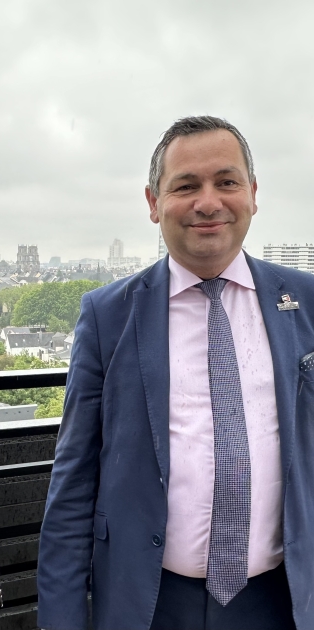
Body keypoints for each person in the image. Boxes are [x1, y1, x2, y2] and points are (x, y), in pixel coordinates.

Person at [37, 115, 314, 630]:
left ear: (252, 193)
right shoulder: (108, 316)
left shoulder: (307, 302)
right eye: (185, 186)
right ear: (153, 203)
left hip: (286, 600)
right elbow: (73, 484)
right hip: (151, 603)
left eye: (226, 182)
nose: (208, 202)